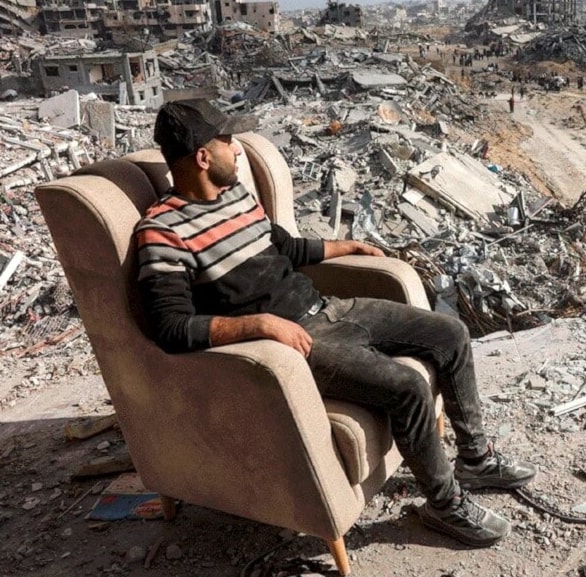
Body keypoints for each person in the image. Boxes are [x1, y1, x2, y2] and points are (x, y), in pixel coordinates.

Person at [135, 99, 536, 548]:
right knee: (407, 386)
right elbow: (169, 328)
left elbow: (283, 246)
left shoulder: (235, 196)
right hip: (299, 345)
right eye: (227, 140)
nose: (238, 150)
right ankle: (445, 507)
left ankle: (476, 461)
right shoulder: (162, 231)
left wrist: (349, 248)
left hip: (331, 308)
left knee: (451, 334)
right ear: (203, 157)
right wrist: (259, 325)